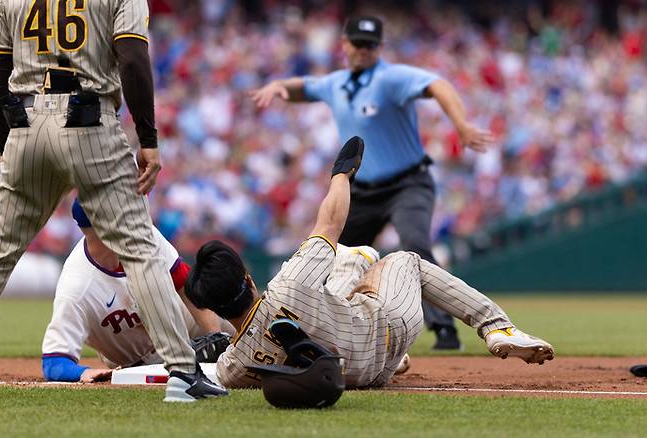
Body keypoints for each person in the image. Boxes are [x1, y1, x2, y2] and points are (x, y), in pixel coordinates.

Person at [0, 0, 225, 401]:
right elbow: (132, 59)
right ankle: (183, 375)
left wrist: (8, 137)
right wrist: (148, 140)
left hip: (25, 123)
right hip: (89, 121)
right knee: (138, 247)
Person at [184, 136, 554, 389]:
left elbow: (225, 369)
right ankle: (496, 327)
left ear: (212, 306)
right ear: (248, 279)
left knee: (345, 277)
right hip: (390, 332)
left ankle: (356, 266)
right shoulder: (287, 283)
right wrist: (342, 174)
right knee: (407, 260)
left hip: (362, 377)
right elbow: (330, 223)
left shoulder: (233, 369)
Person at [251, 16, 495, 350]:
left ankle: (444, 329)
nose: (364, 50)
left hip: (407, 183)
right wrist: (279, 87)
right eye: (358, 43)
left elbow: (439, 86)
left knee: (415, 246)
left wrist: (462, 125)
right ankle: (292, 322)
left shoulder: (391, 77)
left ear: (379, 47)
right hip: (362, 192)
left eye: (370, 44)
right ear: (345, 44)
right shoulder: (335, 83)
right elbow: (304, 87)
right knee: (327, 251)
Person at [41, 200, 233, 383]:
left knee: (237, 325)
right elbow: (54, 363)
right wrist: (84, 372)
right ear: (105, 227)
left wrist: (214, 335)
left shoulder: (143, 235)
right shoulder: (77, 288)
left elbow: (186, 283)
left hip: (186, 322)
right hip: (138, 363)